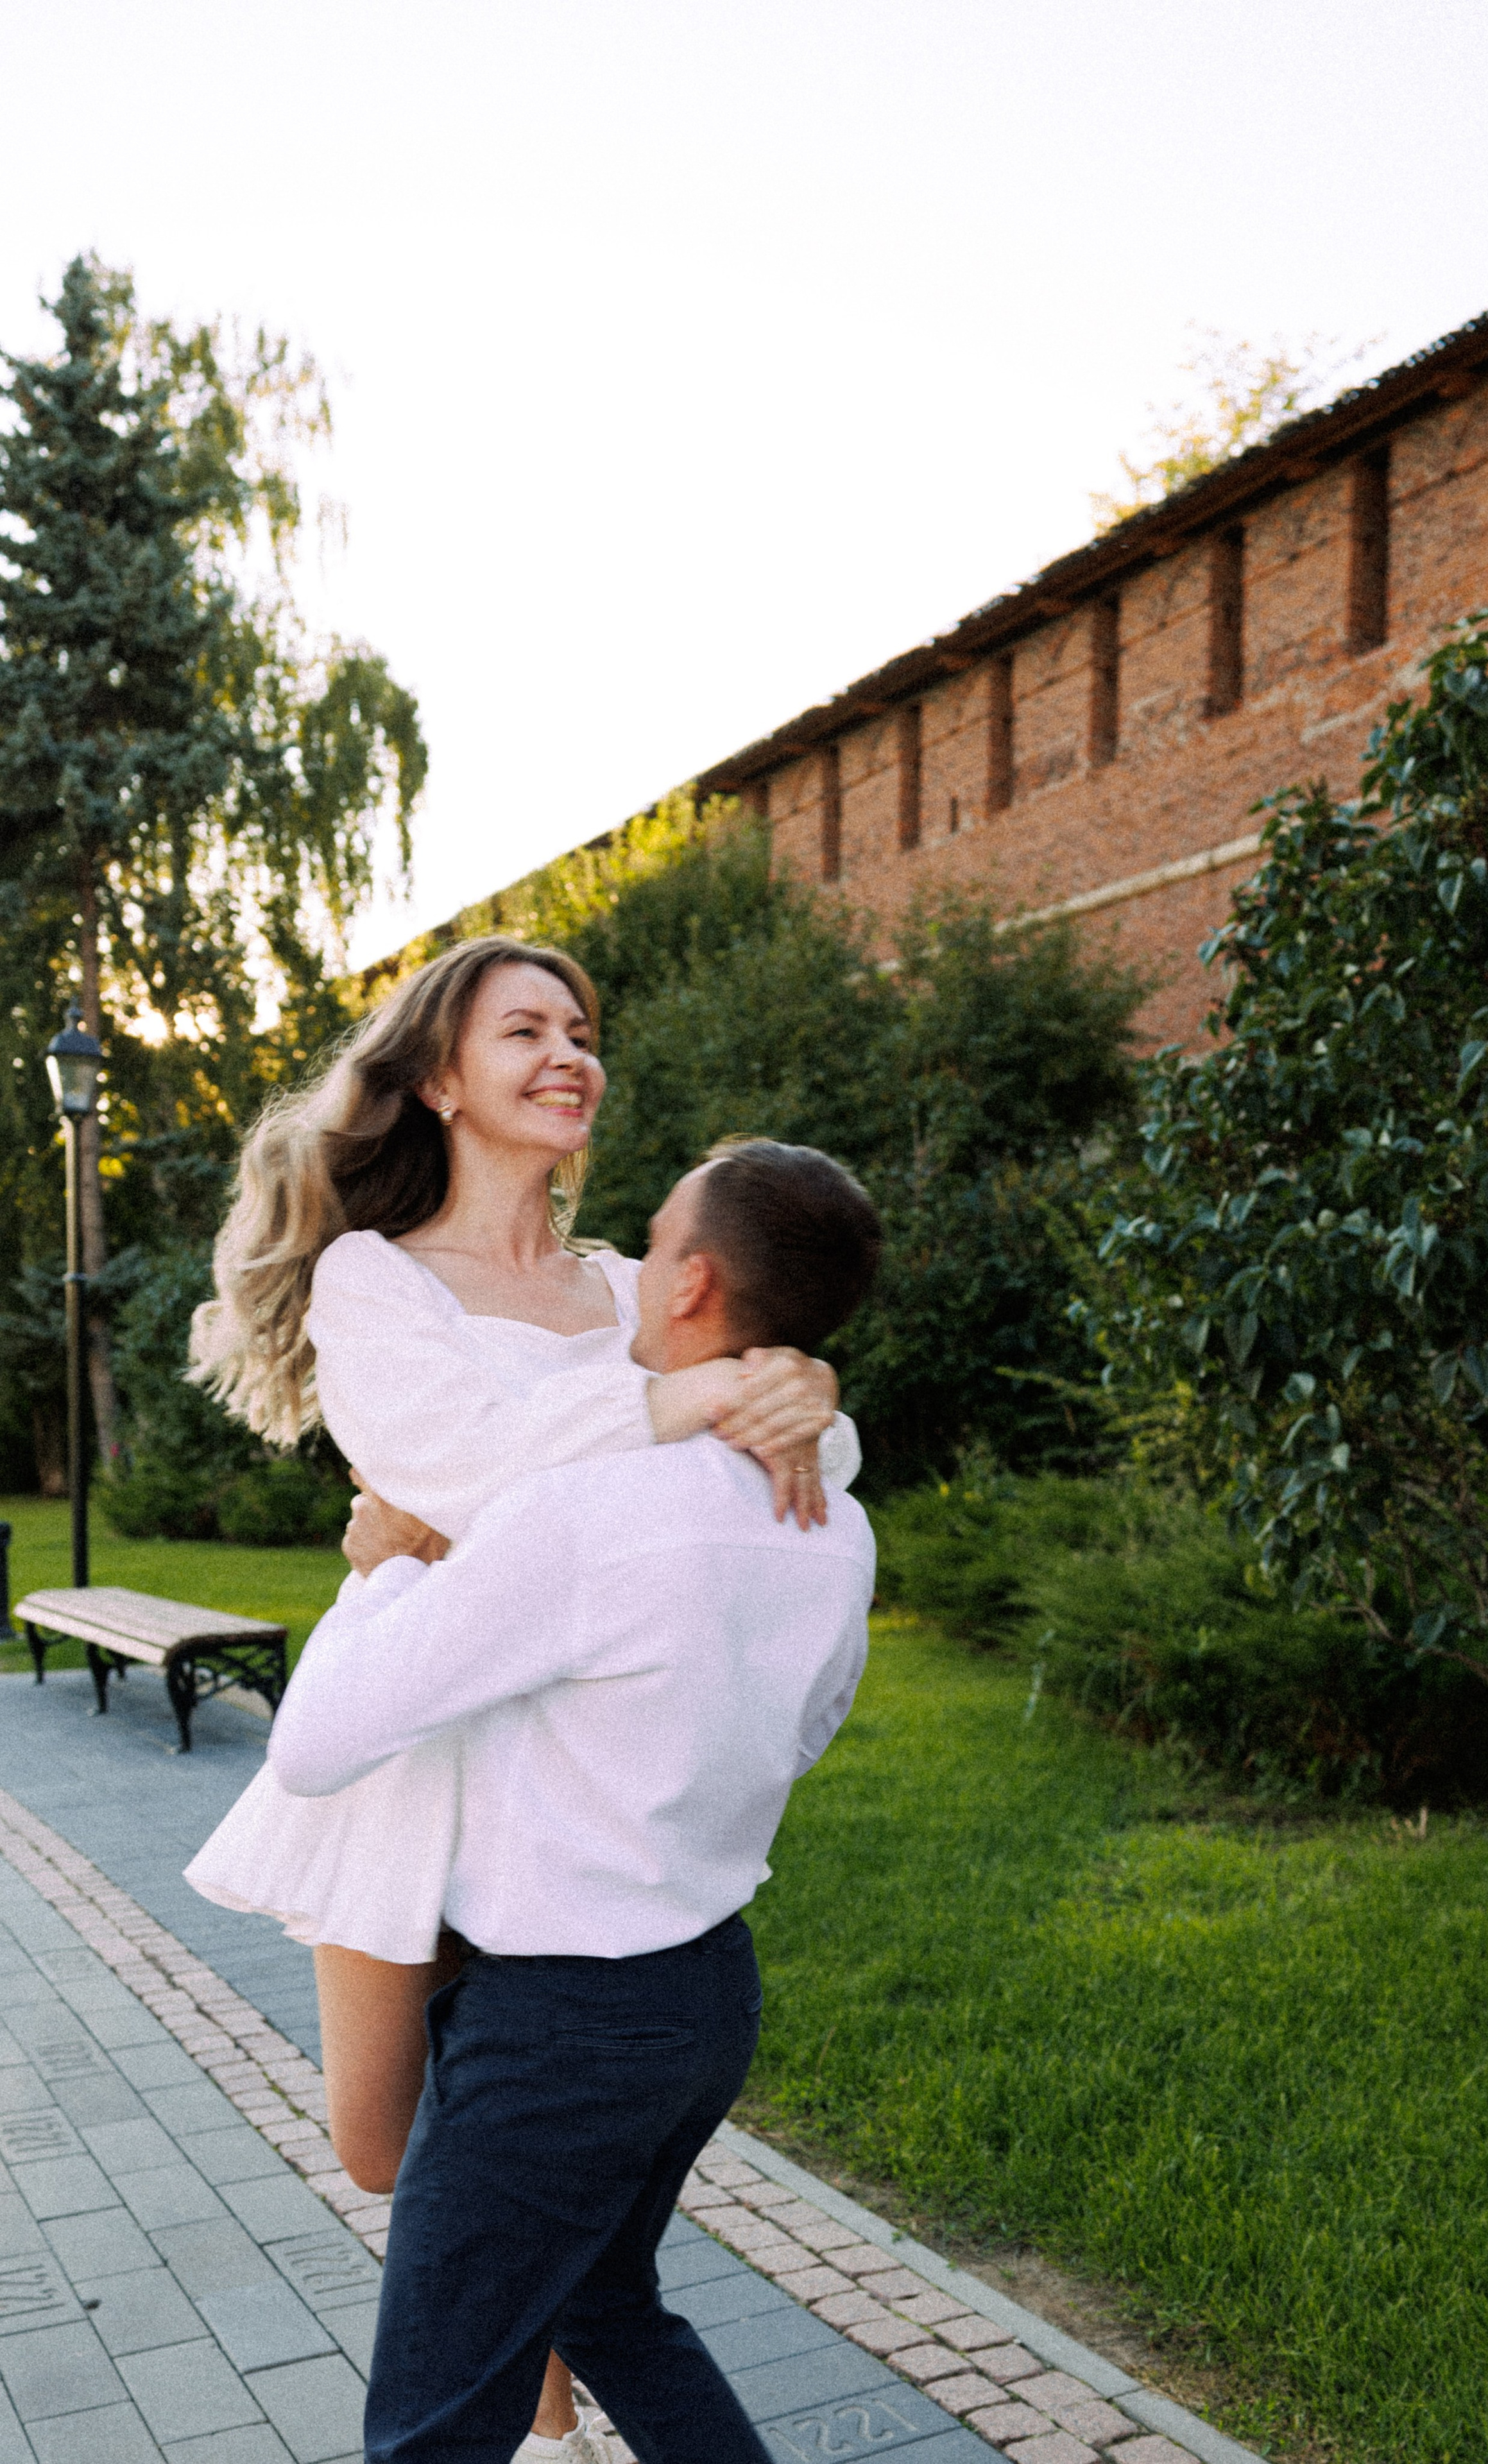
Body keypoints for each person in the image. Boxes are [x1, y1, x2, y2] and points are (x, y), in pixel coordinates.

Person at [184, 938, 857, 2458]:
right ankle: (507, 2338)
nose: (569, 1053)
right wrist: (682, 1401)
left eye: (582, 1029)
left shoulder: (630, 1284)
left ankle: (512, 2372)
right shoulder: (376, 1278)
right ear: (438, 1078)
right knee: (381, 2152)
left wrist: (804, 1393)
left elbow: (784, 1477)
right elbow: (454, 1471)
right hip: (413, 1748)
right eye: (524, 1031)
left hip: (565, 1770)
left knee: (492, 2219)